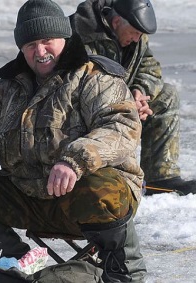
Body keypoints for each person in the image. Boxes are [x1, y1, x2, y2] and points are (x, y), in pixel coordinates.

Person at [0, 0, 147, 281]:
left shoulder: (95, 77)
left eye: (47, 41)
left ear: (64, 38)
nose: (40, 51)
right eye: (31, 44)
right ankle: (18, 263)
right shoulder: (5, 89)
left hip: (87, 201)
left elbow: (121, 126)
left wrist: (74, 160)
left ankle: (122, 270)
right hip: (31, 196)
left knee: (100, 186)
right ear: (21, 48)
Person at [70, 0, 196, 195]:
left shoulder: (135, 34)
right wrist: (126, 103)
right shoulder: (79, 36)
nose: (138, 39)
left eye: (140, 34)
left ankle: (161, 176)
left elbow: (149, 67)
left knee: (166, 95)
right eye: (135, 33)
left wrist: (140, 92)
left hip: (120, 98)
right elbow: (80, 86)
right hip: (83, 106)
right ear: (117, 21)